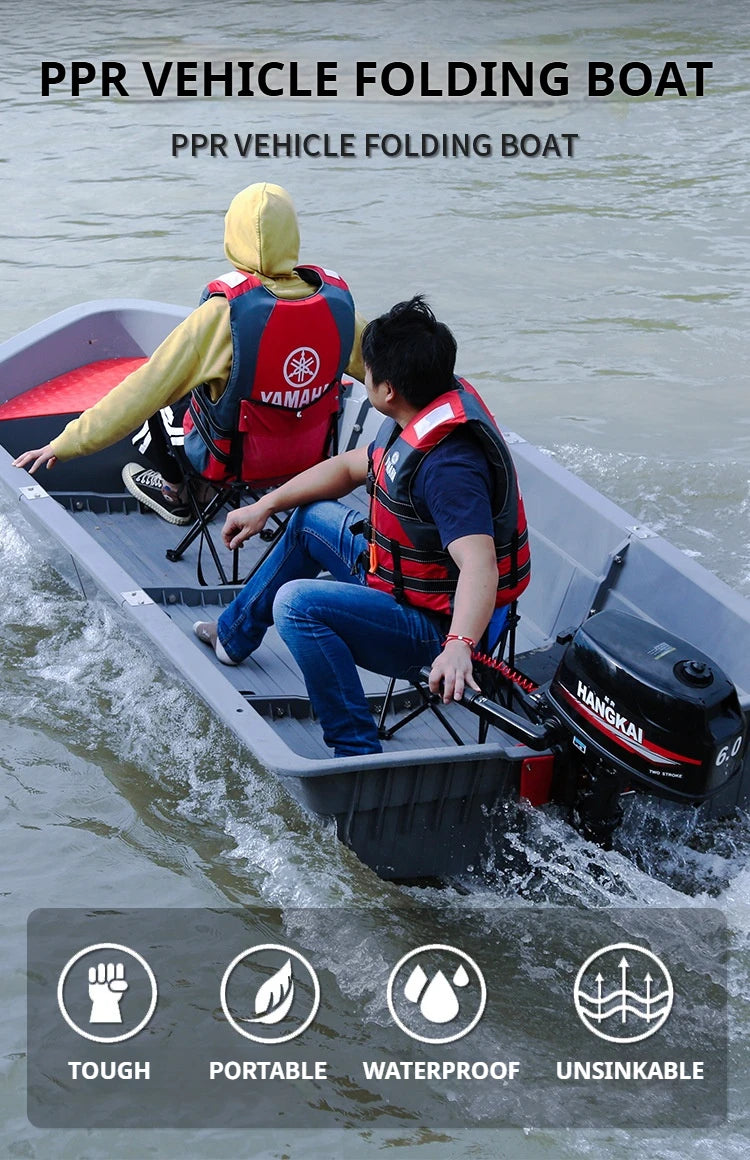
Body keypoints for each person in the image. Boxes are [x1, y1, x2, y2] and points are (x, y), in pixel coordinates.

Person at [193, 296, 531, 758]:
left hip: (435, 626)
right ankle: (234, 636)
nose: (362, 374)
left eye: (367, 369)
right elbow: (353, 465)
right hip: (400, 582)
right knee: (311, 518)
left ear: (388, 389)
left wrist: (457, 646)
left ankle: (355, 751)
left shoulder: (450, 467)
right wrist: (266, 505)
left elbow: (480, 566)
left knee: (296, 605)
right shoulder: (422, 407)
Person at [13, 182, 366, 523]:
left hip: (230, 463)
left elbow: (141, 393)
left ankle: (177, 493)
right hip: (311, 460)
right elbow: (390, 373)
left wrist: (67, 443)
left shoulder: (222, 316)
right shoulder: (337, 309)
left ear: (233, 237)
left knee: (163, 398)